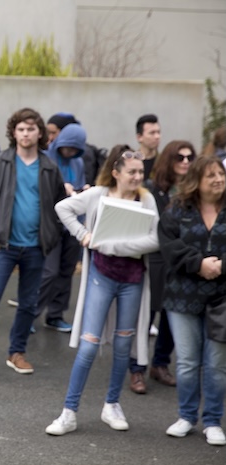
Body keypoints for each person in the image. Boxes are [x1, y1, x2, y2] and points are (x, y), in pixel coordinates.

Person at [45, 146, 159, 436]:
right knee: (88, 345)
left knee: (123, 346)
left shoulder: (146, 199)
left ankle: (112, 404)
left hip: (132, 279)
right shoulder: (98, 194)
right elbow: (63, 207)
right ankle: (69, 412)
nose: (137, 177)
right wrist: (83, 234)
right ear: (116, 172)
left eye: (140, 172)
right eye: (131, 171)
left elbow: (155, 239)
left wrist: (112, 245)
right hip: (101, 277)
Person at [0, 108, 65, 379]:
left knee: (28, 303)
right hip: (3, 246)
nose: (26, 133)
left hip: (36, 247)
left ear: (40, 133)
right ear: (13, 133)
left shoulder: (50, 168)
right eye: (21, 129)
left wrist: (50, 236)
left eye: (31, 129)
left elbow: (60, 207)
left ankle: (17, 352)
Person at [159, 155, 226, 446]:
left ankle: (212, 420)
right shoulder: (177, 209)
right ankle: (186, 416)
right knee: (187, 361)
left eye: (221, 175)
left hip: (222, 298)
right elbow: (169, 245)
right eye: (211, 175)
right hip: (182, 295)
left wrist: (221, 266)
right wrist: (198, 263)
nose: (218, 180)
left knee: (216, 364)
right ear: (196, 180)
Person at [128, 141, 195, 393]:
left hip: (179, 260)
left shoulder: (193, 191)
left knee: (171, 315)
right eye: (180, 157)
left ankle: (160, 364)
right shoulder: (151, 189)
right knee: (145, 315)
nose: (186, 162)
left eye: (190, 157)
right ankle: (136, 369)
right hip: (154, 257)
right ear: (169, 159)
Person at [36, 121, 88, 333]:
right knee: (49, 271)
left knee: (66, 271)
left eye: (75, 149)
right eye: (68, 147)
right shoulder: (46, 159)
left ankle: (55, 315)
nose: (70, 151)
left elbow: (80, 190)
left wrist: (82, 190)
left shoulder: (78, 163)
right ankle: (30, 313)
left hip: (73, 225)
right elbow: (39, 192)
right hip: (51, 224)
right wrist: (61, 188)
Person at [136, 114, 161, 180]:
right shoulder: (132, 162)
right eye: (152, 133)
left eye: (158, 132)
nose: (157, 136)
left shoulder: (164, 161)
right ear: (139, 137)